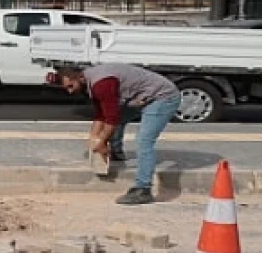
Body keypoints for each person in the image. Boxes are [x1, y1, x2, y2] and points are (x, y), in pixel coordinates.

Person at [53, 63, 183, 205]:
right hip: (142, 97)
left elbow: (111, 119)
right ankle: (116, 153)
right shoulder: (91, 81)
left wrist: (102, 142)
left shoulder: (101, 83)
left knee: (143, 140)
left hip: (162, 97)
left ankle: (143, 189)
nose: (70, 92)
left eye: (71, 86)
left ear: (79, 78)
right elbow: (101, 114)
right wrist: (94, 139)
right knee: (116, 120)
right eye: (66, 89)